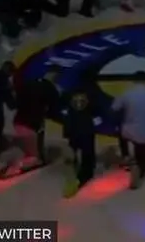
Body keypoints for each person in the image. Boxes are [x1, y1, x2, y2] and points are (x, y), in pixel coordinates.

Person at [0, 66, 60, 179]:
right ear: (56, 77)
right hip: (31, 125)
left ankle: (33, 156)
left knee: (30, 147)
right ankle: (17, 167)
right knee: (33, 156)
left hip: (18, 122)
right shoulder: (50, 88)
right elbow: (54, 110)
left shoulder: (29, 83)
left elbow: (15, 103)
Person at [61, 69, 103, 197]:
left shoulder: (69, 92)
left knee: (73, 148)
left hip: (73, 126)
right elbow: (97, 110)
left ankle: (73, 168)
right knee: (88, 152)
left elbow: (63, 108)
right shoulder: (93, 92)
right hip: (86, 127)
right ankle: (87, 172)